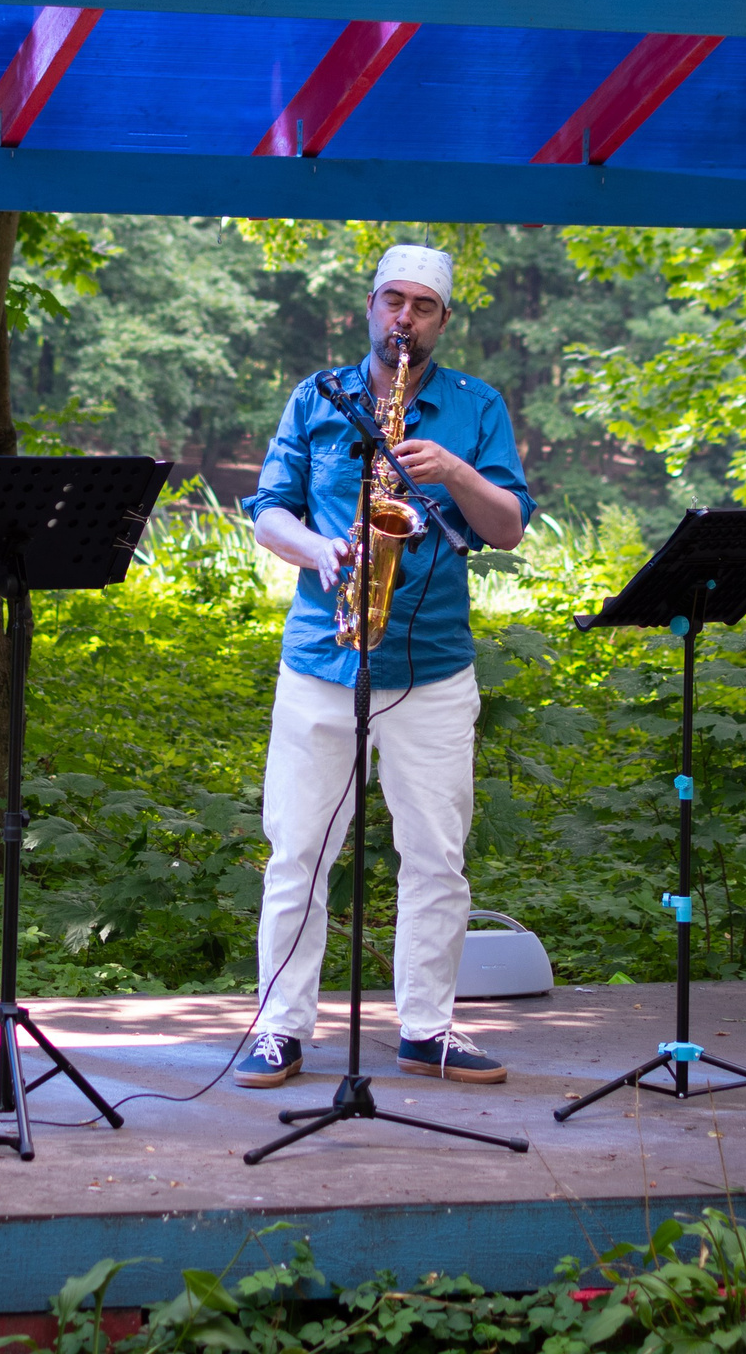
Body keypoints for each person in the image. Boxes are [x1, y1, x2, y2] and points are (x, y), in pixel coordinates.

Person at [236, 244, 533, 1089]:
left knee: (436, 856)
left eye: (422, 305)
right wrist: (318, 549)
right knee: (298, 851)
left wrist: (456, 471)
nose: (405, 317)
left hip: (432, 666)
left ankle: (427, 1029)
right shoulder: (316, 396)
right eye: (392, 300)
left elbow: (508, 527)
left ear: (443, 320)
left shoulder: (476, 405)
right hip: (322, 657)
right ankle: (280, 1028)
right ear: (369, 306)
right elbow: (269, 511)